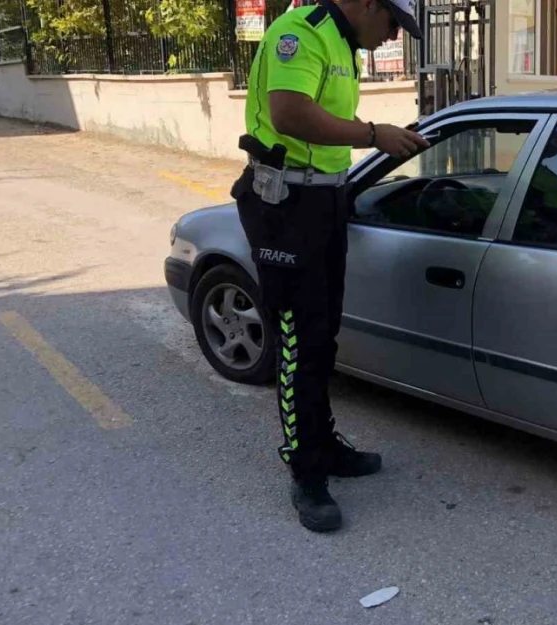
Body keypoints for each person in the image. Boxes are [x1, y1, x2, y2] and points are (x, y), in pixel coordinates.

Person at [229, 0, 429, 533]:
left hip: (325, 204)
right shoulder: (302, 33)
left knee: (323, 337)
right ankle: (306, 472)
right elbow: (288, 113)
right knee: (298, 339)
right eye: (392, 23)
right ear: (366, 4)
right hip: (284, 207)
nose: (393, 37)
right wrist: (372, 135)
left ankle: (323, 442)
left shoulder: (343, 43)